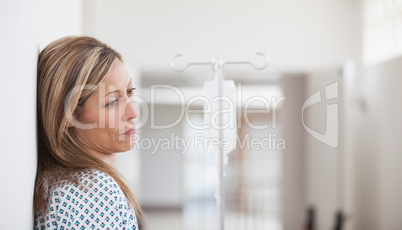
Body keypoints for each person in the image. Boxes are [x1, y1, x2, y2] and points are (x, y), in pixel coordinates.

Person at [34, 36, 144, 229]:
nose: (133, 112)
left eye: (130, 91)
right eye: (112, 102)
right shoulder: (94, 192)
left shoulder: (69, 184)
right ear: (67, 114)